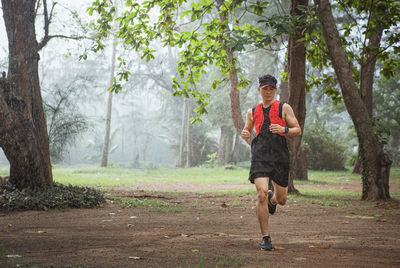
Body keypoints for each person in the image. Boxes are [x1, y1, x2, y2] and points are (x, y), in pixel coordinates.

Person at [241, 74, 301, 251]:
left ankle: (272, 201)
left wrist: (284, 129)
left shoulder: (284, 107)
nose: (268, 92)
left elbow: (297, 129)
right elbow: (248, 131)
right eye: (265, 89)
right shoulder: (252, 111)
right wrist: (245, 133)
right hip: (260, 156)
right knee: (261, 193)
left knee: (282, 199)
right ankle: (265, 238)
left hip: (280, 156)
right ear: (259, 90)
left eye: (271, 89)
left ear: (275, 90)